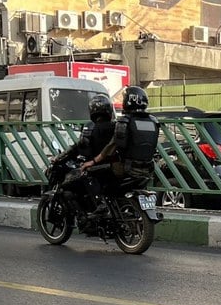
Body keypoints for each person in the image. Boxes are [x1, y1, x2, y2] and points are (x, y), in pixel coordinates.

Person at [81, 86, 160, 214]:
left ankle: (101, 204)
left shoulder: (125, 121)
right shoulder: (153, 121)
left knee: (89, 173)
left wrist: (94, 161)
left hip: (126, 169)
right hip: (148, 170)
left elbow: (112, 146)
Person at [52, 94, 115, 213]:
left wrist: (59, 158)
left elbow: (77, 147)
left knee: (71, 182)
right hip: (115, 169)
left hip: (97, 169)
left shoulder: (90, 128)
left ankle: (96, 206)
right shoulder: (117, 126)